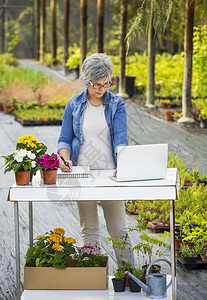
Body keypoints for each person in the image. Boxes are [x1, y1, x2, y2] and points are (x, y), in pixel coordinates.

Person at [58, 53, 134, 266]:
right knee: (89, 229)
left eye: (106, 83)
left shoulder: (116, 104)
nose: (101, 89)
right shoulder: (73, 105)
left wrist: (123, 164)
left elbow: (121, 138)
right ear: (87, 80)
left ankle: (129, 276)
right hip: (83, 174)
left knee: (118, 229)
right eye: (96, 84)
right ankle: (93, 278)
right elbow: (64, 139)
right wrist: (65, 159)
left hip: (110, 175)